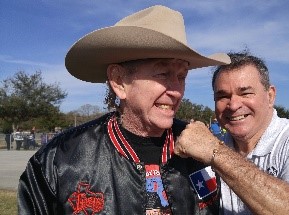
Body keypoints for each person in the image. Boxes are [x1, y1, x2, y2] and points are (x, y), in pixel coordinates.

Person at [17, 5, 230, 214]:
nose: (176, 91)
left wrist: (217, 155)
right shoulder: (60, 161)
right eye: (163, 74)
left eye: (182, 77)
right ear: (119, 82)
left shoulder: (204, 151)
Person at [174, 51, 289, 214]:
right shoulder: (211, 146)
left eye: (245, 93)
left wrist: (216, 152)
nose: (233, 105)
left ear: (270, 96)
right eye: (222, 96)